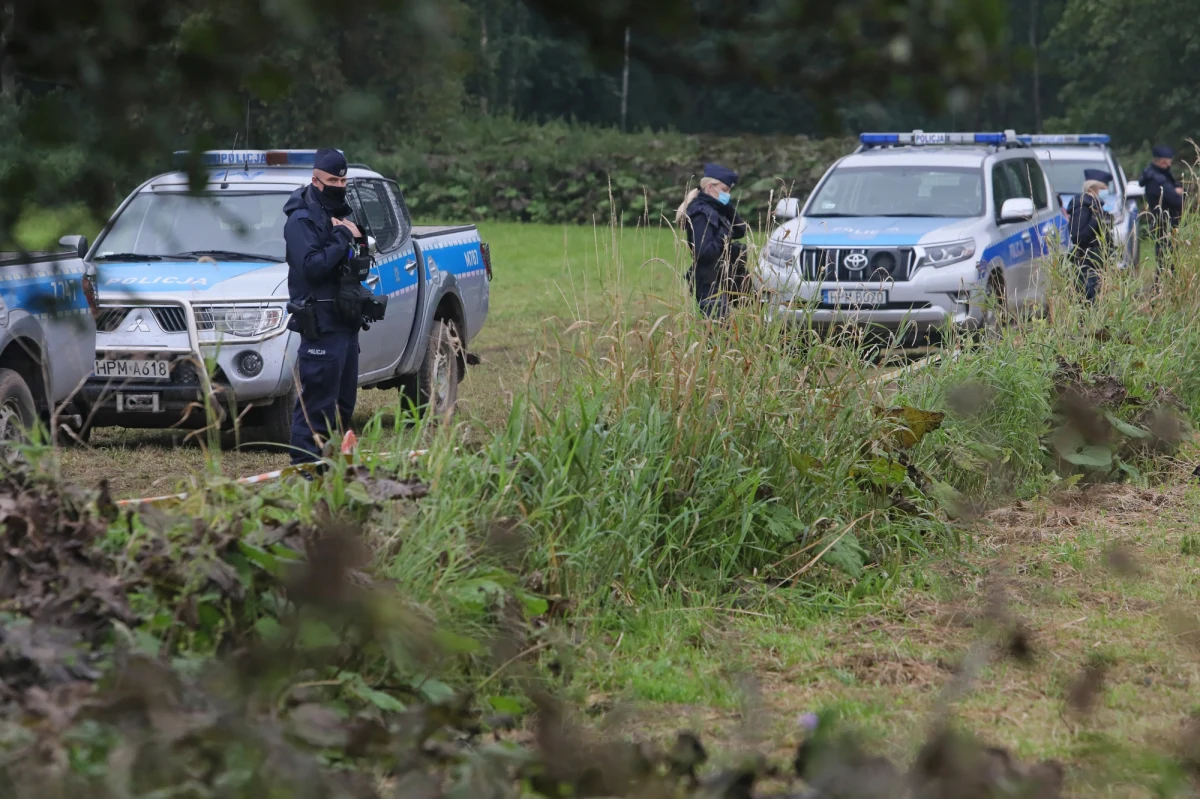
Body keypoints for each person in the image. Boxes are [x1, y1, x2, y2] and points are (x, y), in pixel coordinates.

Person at [282, 147, 364, 464]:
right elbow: (313, 267)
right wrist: (343, 235)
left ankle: (333, 468)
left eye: (343, 181)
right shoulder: (301, 220)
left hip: (345, 323)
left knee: (344, 405)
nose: (339, 186)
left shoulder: (340, 213)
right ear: (315, 180)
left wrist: (356, 237)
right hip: (321, 324)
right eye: (332, 180)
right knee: (316, 403)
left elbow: (355, 263)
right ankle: (304, 471)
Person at [676, 163, 749, 319]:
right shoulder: (702, 213)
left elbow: (740, 230)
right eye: (724, 191)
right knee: (717, 332)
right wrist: (724, 235)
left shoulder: (716, 209)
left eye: (729, 191)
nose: (727, 195)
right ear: (710, 188)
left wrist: (727, 207)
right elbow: (704, 252)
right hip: (709, 283)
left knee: (726, 331)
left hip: (721, 278)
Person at [1067, 169, 1112, 302]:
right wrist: (1095, 220)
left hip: (1096, 260)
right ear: (1094, 188)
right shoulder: (1083, 207)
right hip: (1087, 262)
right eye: (1104, 188)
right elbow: (1077, 237)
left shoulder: (1096, 206)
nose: (1106, 192)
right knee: (1088, 299)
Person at [1140, 145, 1184, 269]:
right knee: (1167, 256)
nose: (1169, 164)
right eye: (1168, 161)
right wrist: (1178, 193)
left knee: (1167, 255)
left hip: (1165, 220)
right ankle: (1163, 285)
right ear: (1163, 162)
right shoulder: (1157, 178)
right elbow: (1175, 199)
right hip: (1166, 221)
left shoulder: (1157, 175)